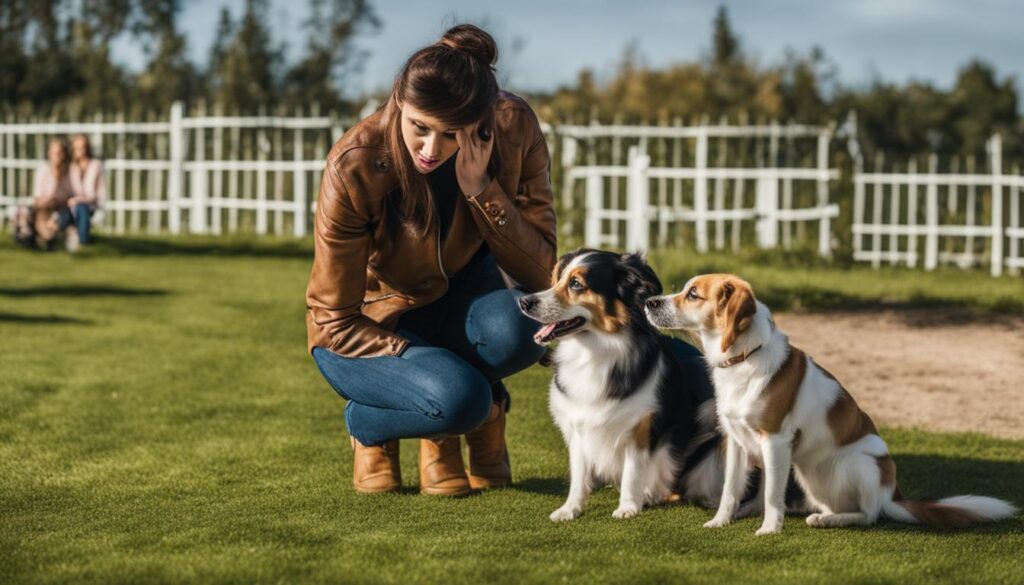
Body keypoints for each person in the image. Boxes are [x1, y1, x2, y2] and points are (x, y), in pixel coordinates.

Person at [306, 24, 557, 496]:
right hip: (363, 329)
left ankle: (445, 397)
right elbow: (333, 318)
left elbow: (543, 276)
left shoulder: (512, 126)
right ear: (399, 101)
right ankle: (372, 425)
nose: (430, 149)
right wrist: (431, 372)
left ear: (479, 123)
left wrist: (483, 189)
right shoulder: (354, 164)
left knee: (527, 328)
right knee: (463, 398)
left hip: (459, 307)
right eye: (419, 128)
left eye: (450, 135)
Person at [23, 136, 73, 249]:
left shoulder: (68, 171)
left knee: (58, 217)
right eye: (54, 152)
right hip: (43, 206)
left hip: (60, 207)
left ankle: (47, 238)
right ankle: (41, 237)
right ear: (49, 153)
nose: (57, 155)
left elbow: (69, 195)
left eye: (59, 152)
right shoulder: (43, 168)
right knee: (35, 213)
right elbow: (37, 195)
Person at [59, 133, 105, 250]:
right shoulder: (70, 167)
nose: (81, 151)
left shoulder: (95, 165)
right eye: (78, 148)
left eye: (83, 147)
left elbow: (96, 194)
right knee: (65, 214)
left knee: (81, 208)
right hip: (70, 205)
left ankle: (83, 241)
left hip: (89, 206)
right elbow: (65, 190)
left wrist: (78, 200)